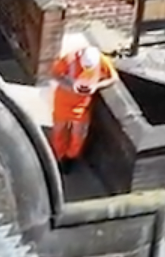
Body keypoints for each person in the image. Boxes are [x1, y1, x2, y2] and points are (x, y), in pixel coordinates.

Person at [47, 36, 117, 164]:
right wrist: (71, 86)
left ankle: (70, 158)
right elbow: (55, 75)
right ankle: (57, 156)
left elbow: (113, 78)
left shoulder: (102, 60)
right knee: (59, 130)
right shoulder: (69, 59)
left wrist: (96, 86)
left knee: (79, 133)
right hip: (63, 100)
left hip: (82, 103)